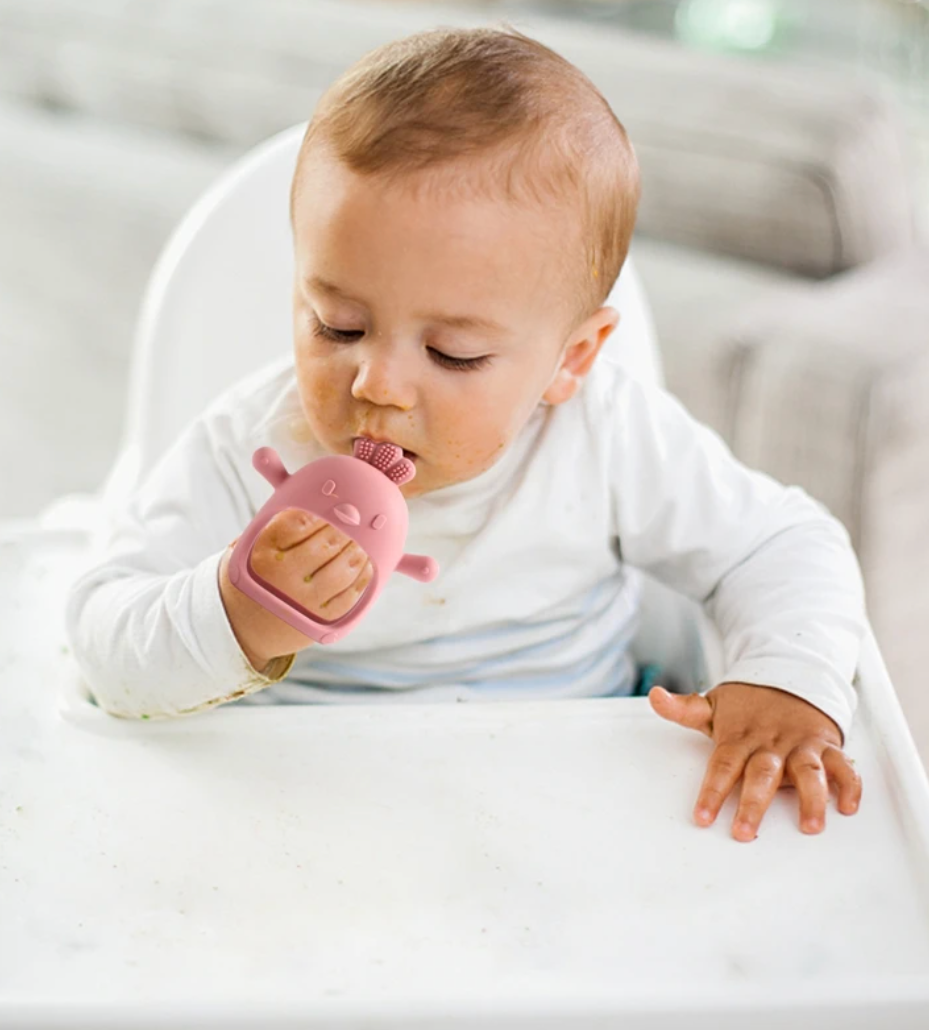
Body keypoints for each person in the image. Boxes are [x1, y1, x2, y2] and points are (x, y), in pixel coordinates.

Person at [65, 25, 866, 844]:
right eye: (337, 326)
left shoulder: (605, 434)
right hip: (301, 819)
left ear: (572, 358)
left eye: (453, 353)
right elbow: (100, 644)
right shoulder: (250, 447)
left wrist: (784, 685)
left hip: (566, 808)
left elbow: (781, 545)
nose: (374, 384)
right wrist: (238, 611)